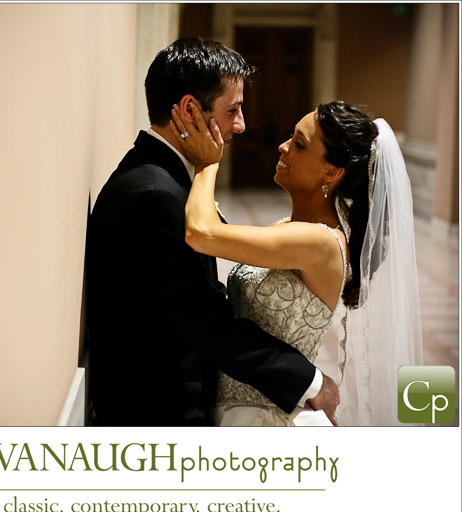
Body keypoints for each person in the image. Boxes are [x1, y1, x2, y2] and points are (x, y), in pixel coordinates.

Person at [87, 37, 340, 426]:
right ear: (190, 109)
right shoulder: (155, 194)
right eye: (232, 110)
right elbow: (206, 323)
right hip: (158, 413)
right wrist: (308, 381)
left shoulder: (162, 177)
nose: (241, 125)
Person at [172, 100, 423, 426]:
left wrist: (207, 163)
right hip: (235, 400)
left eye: (299, 144)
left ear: (331, 172)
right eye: (291, 136)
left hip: (262, 415)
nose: (283, 146)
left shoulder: (320, 242)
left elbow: (202, 233)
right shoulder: (285, 227)